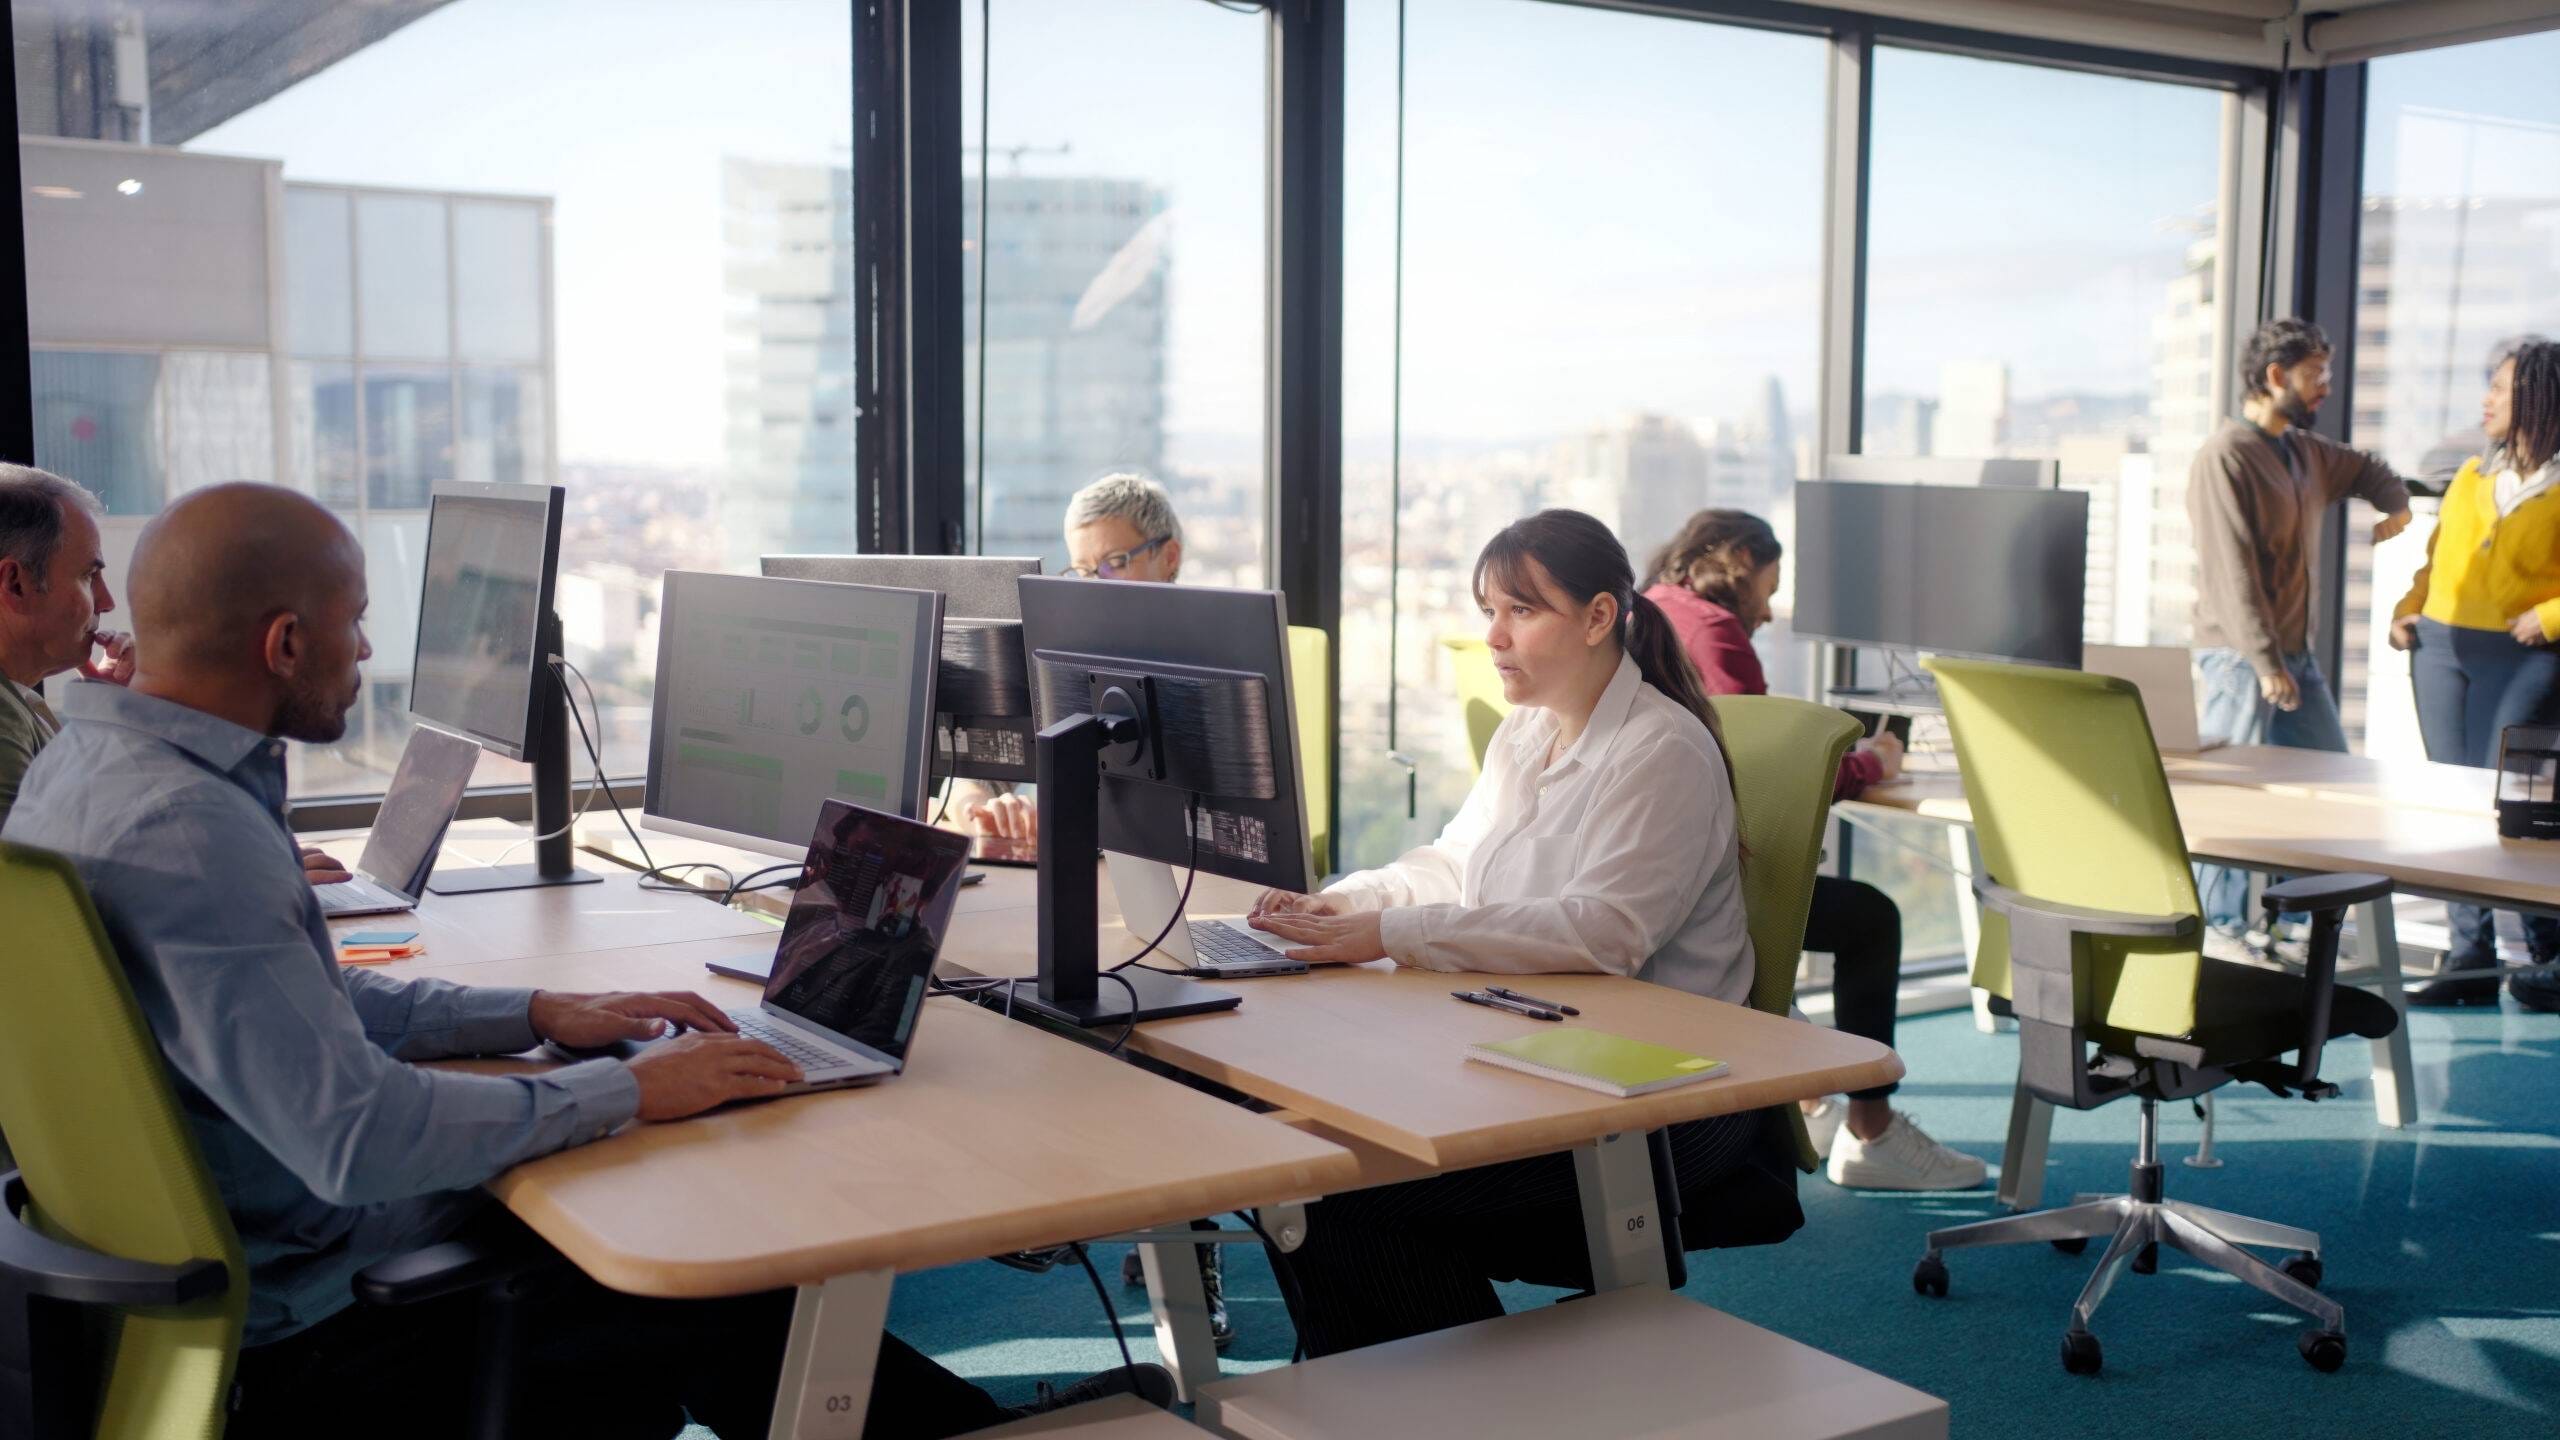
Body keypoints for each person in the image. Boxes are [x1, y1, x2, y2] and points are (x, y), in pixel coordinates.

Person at [1, 483, 1167, 1437]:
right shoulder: (194, 833)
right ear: (285, 642)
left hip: (229, 1259)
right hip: (323, 1333)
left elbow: (302, 1000)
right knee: (705, 1247)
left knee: (667, 1194)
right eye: (353, 623)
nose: (365, 651)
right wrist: (629, 1090)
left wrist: (537, 1012)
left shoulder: (91, 772)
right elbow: (357, 1139)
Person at [1241, 509, 1768, 1356]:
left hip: (1660, 1098)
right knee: (1311, 1152)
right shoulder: (1528, 732)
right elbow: (1457, 862)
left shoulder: (1660, 751)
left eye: (1522, 611)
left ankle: (1448, 1406)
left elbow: (1605, 933)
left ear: (1599, 617)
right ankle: (1391, 1401)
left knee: (1338, 1191)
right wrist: (1345, 905)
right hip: (1534, 1050)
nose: (1493, 637)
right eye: (1489, 611)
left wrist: (1392, 933)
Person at [1642, 509, 1986, 1191]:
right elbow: (1766, 766)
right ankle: (1871, 1131)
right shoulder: (1714, 630)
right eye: (1769, 589)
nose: (1768, 611)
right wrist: (1872, 762)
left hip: (1659, 863)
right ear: (1740, 562)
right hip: (1707, 885)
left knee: (1809, 894)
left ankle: (1811, 1103)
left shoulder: (1653, 608)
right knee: (1870, 919)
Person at [2189, 317, 2415, 933]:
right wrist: (2264, 662)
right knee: (2228, 803)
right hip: (2241, 661)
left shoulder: (2304, 452)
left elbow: (2366, 468)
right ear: (2274, 376)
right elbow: (2232, 572)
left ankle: (2304, 931)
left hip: (2293, 660)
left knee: (2335, 788)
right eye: (2315, 374)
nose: (2326, 387)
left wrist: (2395, 505)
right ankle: (2218, 934)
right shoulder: (2225, 457)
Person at [2391, 339, 2560, 1011]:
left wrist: (2551, 616)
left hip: (2528, 658)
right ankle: (2470, 960)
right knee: (2453, 806)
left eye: (2500, 388)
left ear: (2540, 398)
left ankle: (2549, 956)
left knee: (2523, 805)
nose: (2486, 400)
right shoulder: (2470, 474)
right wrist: (2408, 609)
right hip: (2440, 650)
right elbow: (2439, 560)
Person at [961, 472, 1185, 843]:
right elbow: (971, 780)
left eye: (1115, 562)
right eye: (1083, 570)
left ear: (1169, 557)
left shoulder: (1206, 663)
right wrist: (984, 812)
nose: (1096, 584)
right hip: (1074, 859)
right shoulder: (1065, 656)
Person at [0, 465, 134, 829]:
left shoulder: (17, 700)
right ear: (15, 584)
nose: (106, 602)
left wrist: (106, 715)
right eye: (89, 576)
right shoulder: (4, 722)